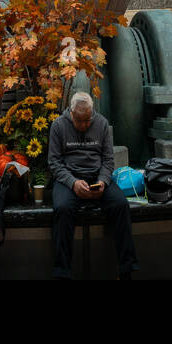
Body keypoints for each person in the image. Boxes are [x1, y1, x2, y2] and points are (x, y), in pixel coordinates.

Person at [48, 92, 137, 279]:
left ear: (92, 113)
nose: (84, 125)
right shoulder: (58, 126)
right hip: (69, 179)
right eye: (79, 121)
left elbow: (108, 160)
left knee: (121, 205)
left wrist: (103, 181)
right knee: (62, 209)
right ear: (71, 113)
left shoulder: (101, 123)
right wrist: (73, 183)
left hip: (97, 177)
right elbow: (54, 162)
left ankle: (127, 269)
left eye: (87, 120)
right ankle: (61, 273)